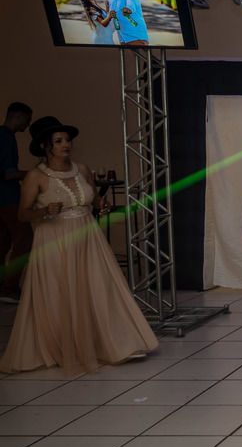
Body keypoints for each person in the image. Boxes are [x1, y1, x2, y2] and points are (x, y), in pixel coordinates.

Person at [0, 117, 158, 375]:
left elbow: (93, 199)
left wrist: (100, 206)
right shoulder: (36, 176)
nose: (66, 145)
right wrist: (45, 212)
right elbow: (22, 215)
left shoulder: (82, 169)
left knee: (98, 287)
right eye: (59, 141)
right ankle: (63, 348)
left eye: (68, 140)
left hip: (87, 237)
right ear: (45, 146)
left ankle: (113, 343)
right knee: (60, 292)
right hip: (54, 239)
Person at [0, 102, 33, 304]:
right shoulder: (6, 136)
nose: (27, 126)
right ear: (19, 117)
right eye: (27, 121)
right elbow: (10, 173)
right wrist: (37, 174)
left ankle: (3, 288)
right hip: (8, 197)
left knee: (2, 243)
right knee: (25, 239)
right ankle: (9, 289)